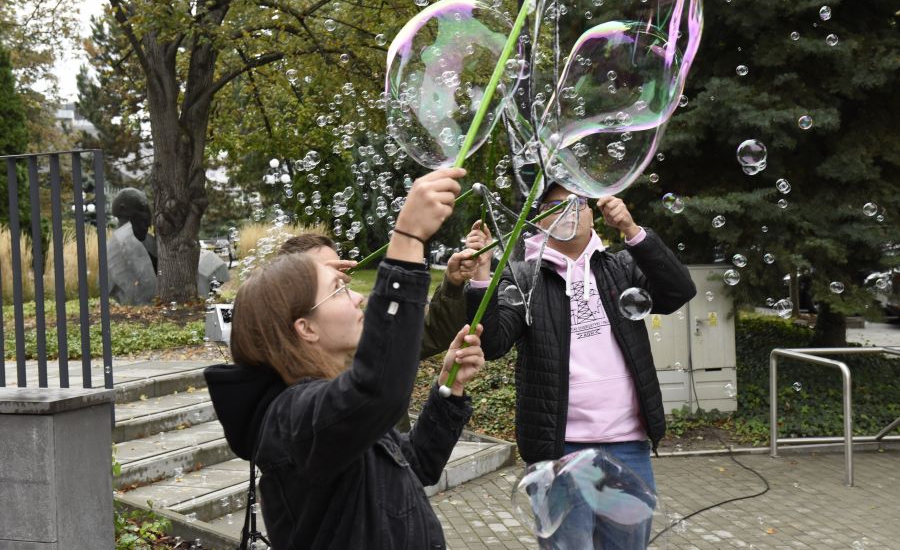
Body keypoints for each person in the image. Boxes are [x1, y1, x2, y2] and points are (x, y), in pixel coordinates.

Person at [205, 168, 487, 549]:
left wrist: (447, 391)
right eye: (338, 290)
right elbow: (378, 390)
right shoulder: (292, 420)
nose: (358, 297)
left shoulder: (330, 399)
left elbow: (417, 464)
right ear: (305, 328)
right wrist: (406, 241)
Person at [466, 182, 696, 548]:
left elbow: (677, 292)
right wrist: (481, 276)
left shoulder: (621, 266)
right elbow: (493, 342)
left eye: (577, 202)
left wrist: (632, 232)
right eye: (554, 204)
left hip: (627, 447)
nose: (568, 210)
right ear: (538, 220)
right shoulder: (523, 278)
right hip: (559, 449)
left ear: (594, 214)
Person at [277, 224, 491, 432]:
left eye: (341, 281)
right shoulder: (280, 370)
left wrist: (452, 285)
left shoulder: (362, 333)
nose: (357, 297)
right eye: (328, 280)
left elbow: (429, 334)